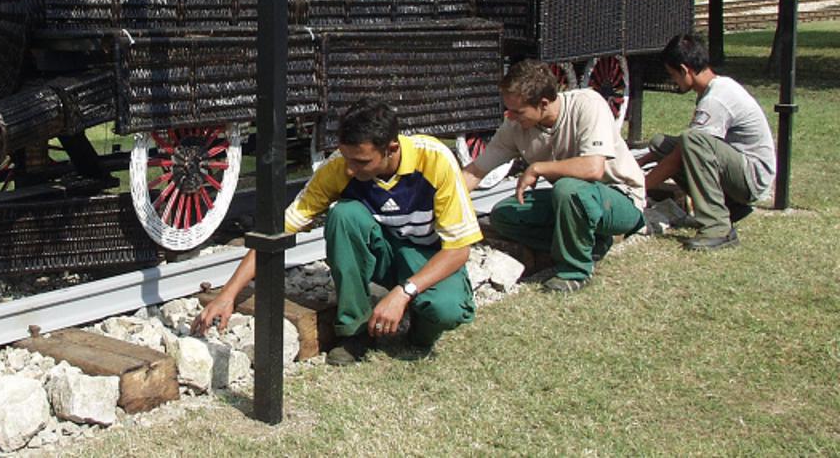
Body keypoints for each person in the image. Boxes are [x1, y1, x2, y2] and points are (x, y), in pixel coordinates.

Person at [191, 98, 480, 366]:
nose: (351, 170)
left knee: (446, 310)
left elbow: (459, 249)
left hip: (426, 254)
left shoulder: (435, 160)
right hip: (383, 253)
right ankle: (355, 332)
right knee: (343, 215)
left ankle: (417, 323)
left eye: (362, 162)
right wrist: (228, 294)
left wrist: (404, 293)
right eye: (347, 159)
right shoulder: (339, 168)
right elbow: (279, 230)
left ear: (391, 148)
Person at [463, 59, 645, 293]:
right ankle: (590, 244)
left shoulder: (587, 105)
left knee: (568, 188)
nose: (511, 117)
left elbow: (593, 168)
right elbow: (476, 170)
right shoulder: (516, 127)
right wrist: (441, 203)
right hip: (573, 201)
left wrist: (538, 168)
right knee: (503, 216)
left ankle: (575, 270)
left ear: (544, 103)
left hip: (620, 197)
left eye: (518, 112)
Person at [639, 34, 775, 250]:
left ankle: (717, 228)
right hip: (739, 168)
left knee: (691, 141)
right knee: (661, 143)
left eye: (673, 75)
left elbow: (686, 152)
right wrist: (634, 166)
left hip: (752, 178)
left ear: (685, 70)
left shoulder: (715, 98)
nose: (673, 81)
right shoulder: (714, 87)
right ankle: (729, 208)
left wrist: (639, 186)